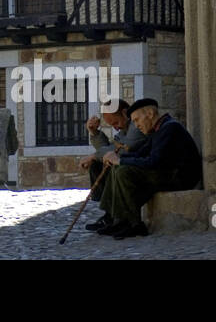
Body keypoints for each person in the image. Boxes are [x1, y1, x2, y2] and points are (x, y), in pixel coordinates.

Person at [95, 98, 203, 239]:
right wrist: (116, 159)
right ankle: (118, 218)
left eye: (137, 120)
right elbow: (140, 154)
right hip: (167, 173)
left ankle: (135, 225)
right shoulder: (157, 130)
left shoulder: (169, 128)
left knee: (123, 171)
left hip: (179, 177)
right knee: (117, 168)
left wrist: (120, 161)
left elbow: (153, 161)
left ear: (150, 114)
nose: (137, 125)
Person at [81, 99, 147, 232]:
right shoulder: (125, 129)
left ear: (124, 112)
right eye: (112, 125)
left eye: (116, 122)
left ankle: (118, 217)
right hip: (130, 163)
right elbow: (111, 148)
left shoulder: (135, 126)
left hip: (140, 167)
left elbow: (123, 149)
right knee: (96, 165)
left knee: (111, 166)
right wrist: (95, 133)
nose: (116, 128)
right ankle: (110, 213)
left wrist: (94, 155)